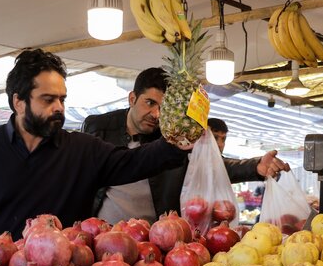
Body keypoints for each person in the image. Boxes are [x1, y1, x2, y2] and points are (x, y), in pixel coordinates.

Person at [0, 49, 199, 256]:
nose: (59, 107)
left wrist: (175, 144)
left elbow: (134, 161)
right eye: (48, 100)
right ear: (19, 101)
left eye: (62, 99)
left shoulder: (82, 150)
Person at [82, 67, 290, 224]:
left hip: (155, 240)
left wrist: (254, 167)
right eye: (150, 103)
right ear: (132, 98)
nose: (156, 115)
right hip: (102, 233)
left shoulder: (171, 141)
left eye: (163, 108)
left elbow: (210, 165)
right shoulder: (98, 128)